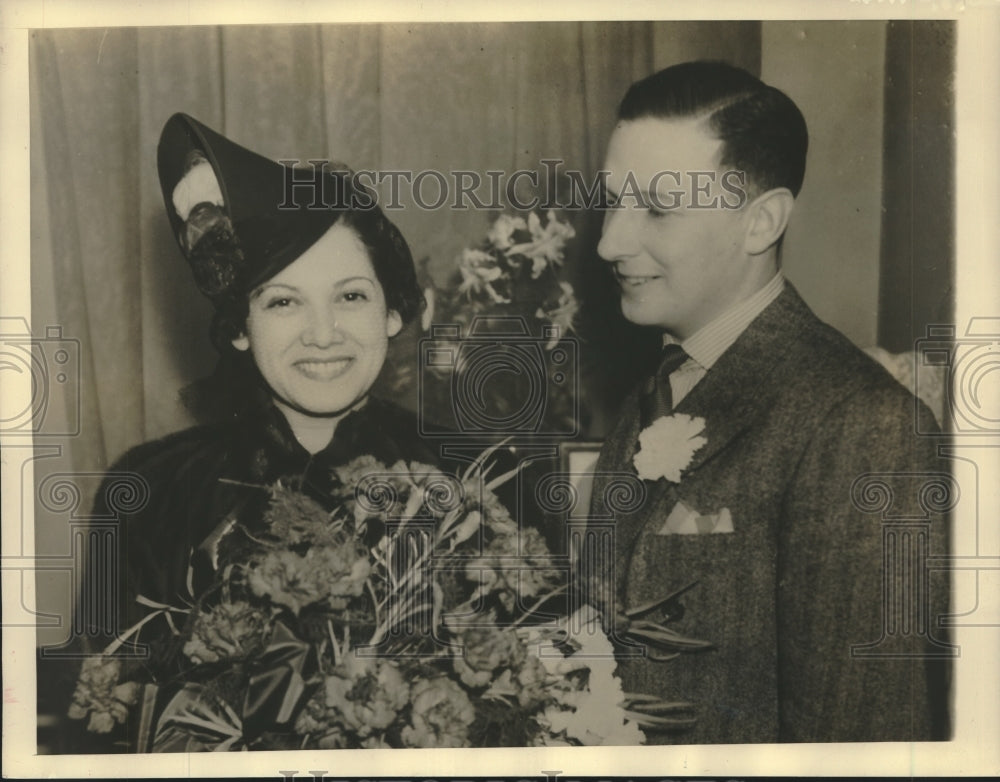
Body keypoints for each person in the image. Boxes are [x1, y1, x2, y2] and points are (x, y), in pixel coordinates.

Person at [586, 61, 951, 744]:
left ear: (761, 223)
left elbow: (862, 739)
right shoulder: (653, 389)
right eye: (612, 201)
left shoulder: (863, 424)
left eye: (657, 209)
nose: (610, 241)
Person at [60, 113, 446, 752]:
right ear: (241, 329)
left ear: (393, 311)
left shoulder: (479, 477)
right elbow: (104, 723)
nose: (322, 334)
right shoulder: (151, 491)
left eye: (350, 296)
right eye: (283, 301)